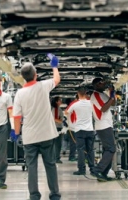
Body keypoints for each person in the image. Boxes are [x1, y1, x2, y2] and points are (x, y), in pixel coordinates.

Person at [12, 54, 61, 200]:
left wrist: (16, 133)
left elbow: (17, 117)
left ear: (23, 77)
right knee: (50, 165)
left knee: (31, 166)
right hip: (46, 135)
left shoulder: (19, 94)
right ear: (36, 75)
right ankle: (54, 194)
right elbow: (57, 80)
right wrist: (54, 66)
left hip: (29, 137)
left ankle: (34, 195)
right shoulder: (43, 85)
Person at [90, 77, 116, 182]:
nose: (103, 84)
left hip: (107, 125)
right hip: (103, 125)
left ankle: (103, 174)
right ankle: (98, 170)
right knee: (111, 149)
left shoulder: (102, 94)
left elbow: (113, 103)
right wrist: (111, 97)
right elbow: (104, 108)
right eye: (101, 83)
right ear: (96, 85)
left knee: (107, 149)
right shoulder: (95, 95)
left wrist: (112, 93)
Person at [65, 87, 95, 175]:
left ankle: (81, 170)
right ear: (86, 94)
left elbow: (66, 112)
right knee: (90, 150)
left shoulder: (75, 104)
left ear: (78, 94)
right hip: (90, 130)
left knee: (80, 150)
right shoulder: (91, 103)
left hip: (79, 130)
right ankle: (92, 169)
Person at [64, 96, 78, 161]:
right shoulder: (70, 108)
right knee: (73, 144)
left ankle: (72, 156)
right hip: (72, 128)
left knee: (74, 144)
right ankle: (71, 157)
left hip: (74, 127)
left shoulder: (71, 108)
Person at [51, 96, 64, 163]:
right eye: (60, 100)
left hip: (57, 127)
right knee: (57, 144)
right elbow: (54, 119)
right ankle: (56, 158)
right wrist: (61, 121)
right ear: (56, 102)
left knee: (56, 144)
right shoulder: (56, 109)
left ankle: (55, 157)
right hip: (57, 128)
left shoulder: (58, 108)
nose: (61, 101)